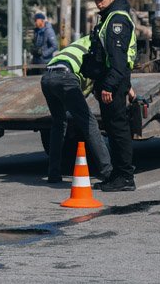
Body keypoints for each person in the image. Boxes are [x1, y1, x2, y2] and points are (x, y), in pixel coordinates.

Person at [40, 32, 112, 184]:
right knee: (89, 123)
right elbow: (87, 86)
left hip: (47, 77)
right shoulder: (98, 48)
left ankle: (53, 174)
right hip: (66, 76)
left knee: (58, 124)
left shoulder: (80, 43)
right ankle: (107, 172)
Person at [88, 0, 137, 192]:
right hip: (112, 81)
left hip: (113, 82)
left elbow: (118, 60)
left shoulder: (117, 20)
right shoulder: (109, 17)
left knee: (118, 130)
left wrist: (108, 86)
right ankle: (117, 175)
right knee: (112, 129)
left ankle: (125, 177)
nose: (98, 2)